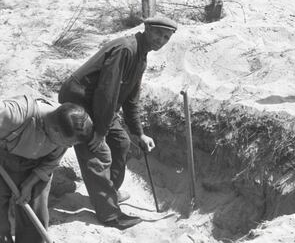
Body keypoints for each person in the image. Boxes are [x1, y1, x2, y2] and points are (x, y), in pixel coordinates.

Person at [58, 16, 178, 230]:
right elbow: (107, 91)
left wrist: (139, 133)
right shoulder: (126, 49)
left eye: (166, 37)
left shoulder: (141, 55)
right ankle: (109, 213)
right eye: (159, 33)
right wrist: (100, 132)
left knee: (121, 142)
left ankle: (109, 192)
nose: (161, 40)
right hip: (80, 101)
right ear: (147, 29)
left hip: (98, 103)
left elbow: (130, 98)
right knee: (97, 153)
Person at [0, 95, 93, 243]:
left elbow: (51, 162)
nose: (69, 147)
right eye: (68, 143)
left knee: (36, 214)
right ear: (55, 130)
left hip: (36, 165)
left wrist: (29, 183)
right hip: (4, 159)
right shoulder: (15, 113)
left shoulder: (67, 129)